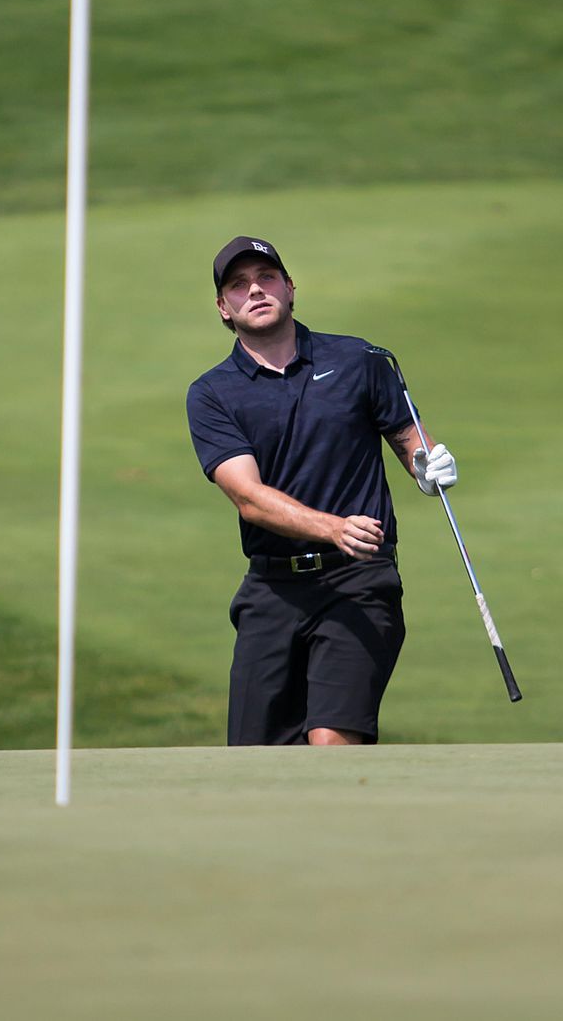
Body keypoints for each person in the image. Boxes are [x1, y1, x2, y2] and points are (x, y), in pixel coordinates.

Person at [186, 235, 458, 747]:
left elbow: (409, 438)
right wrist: (332, 527)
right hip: (271, 590)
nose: (256, 290)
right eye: (239, 285)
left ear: (290, 287)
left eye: (267, 278)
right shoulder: (212, 393)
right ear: (224, 307)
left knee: (331, 741)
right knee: (255, 762)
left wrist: (427, 463)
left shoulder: (359, 359)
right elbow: (246, 495)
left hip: (359, 582)